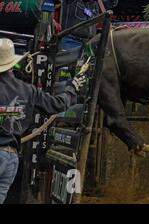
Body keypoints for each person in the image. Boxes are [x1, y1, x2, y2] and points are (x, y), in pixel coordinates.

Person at [0, 39, 87, 203]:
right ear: (12, 63)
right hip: (10, 156)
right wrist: (72, 88)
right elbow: (57, 104)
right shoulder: (28, 90)